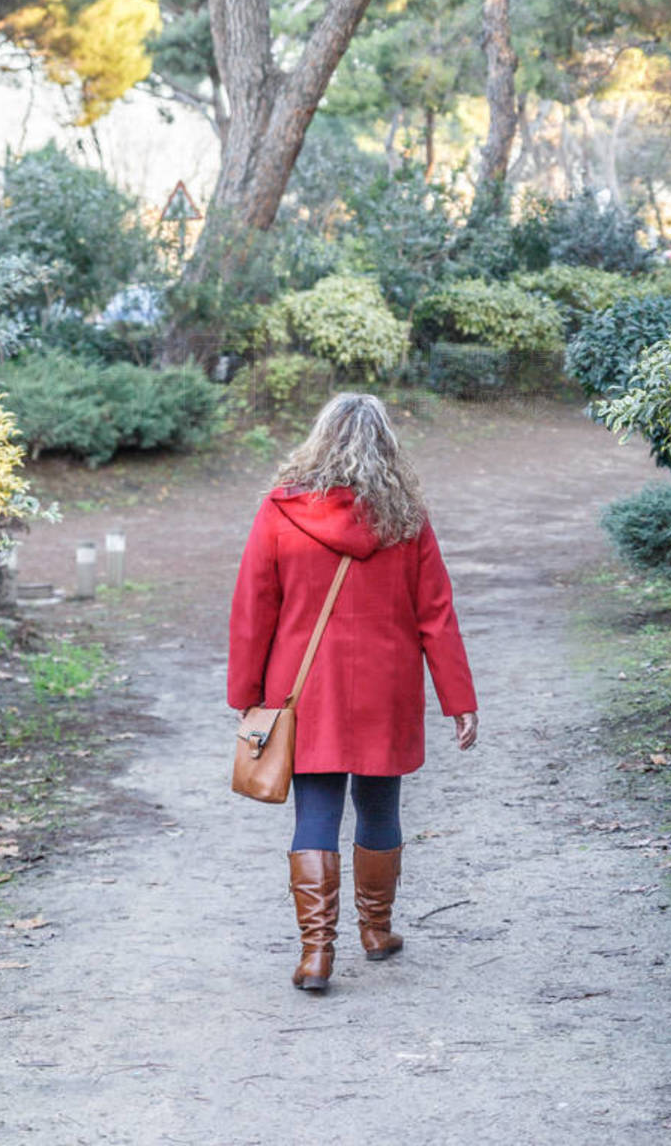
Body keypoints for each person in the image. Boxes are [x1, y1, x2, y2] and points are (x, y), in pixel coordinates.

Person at [228, 392, 478, 993]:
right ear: (385, 447)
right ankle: (376, 929)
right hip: (385, 687)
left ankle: (316, 955)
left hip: (303, 689)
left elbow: (253, 609)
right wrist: (458, 699)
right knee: (380, 807)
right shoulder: (405, 517)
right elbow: (435, 614)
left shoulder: (280, 512)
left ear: (320, 440)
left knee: (315, 812)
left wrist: (247, 694)